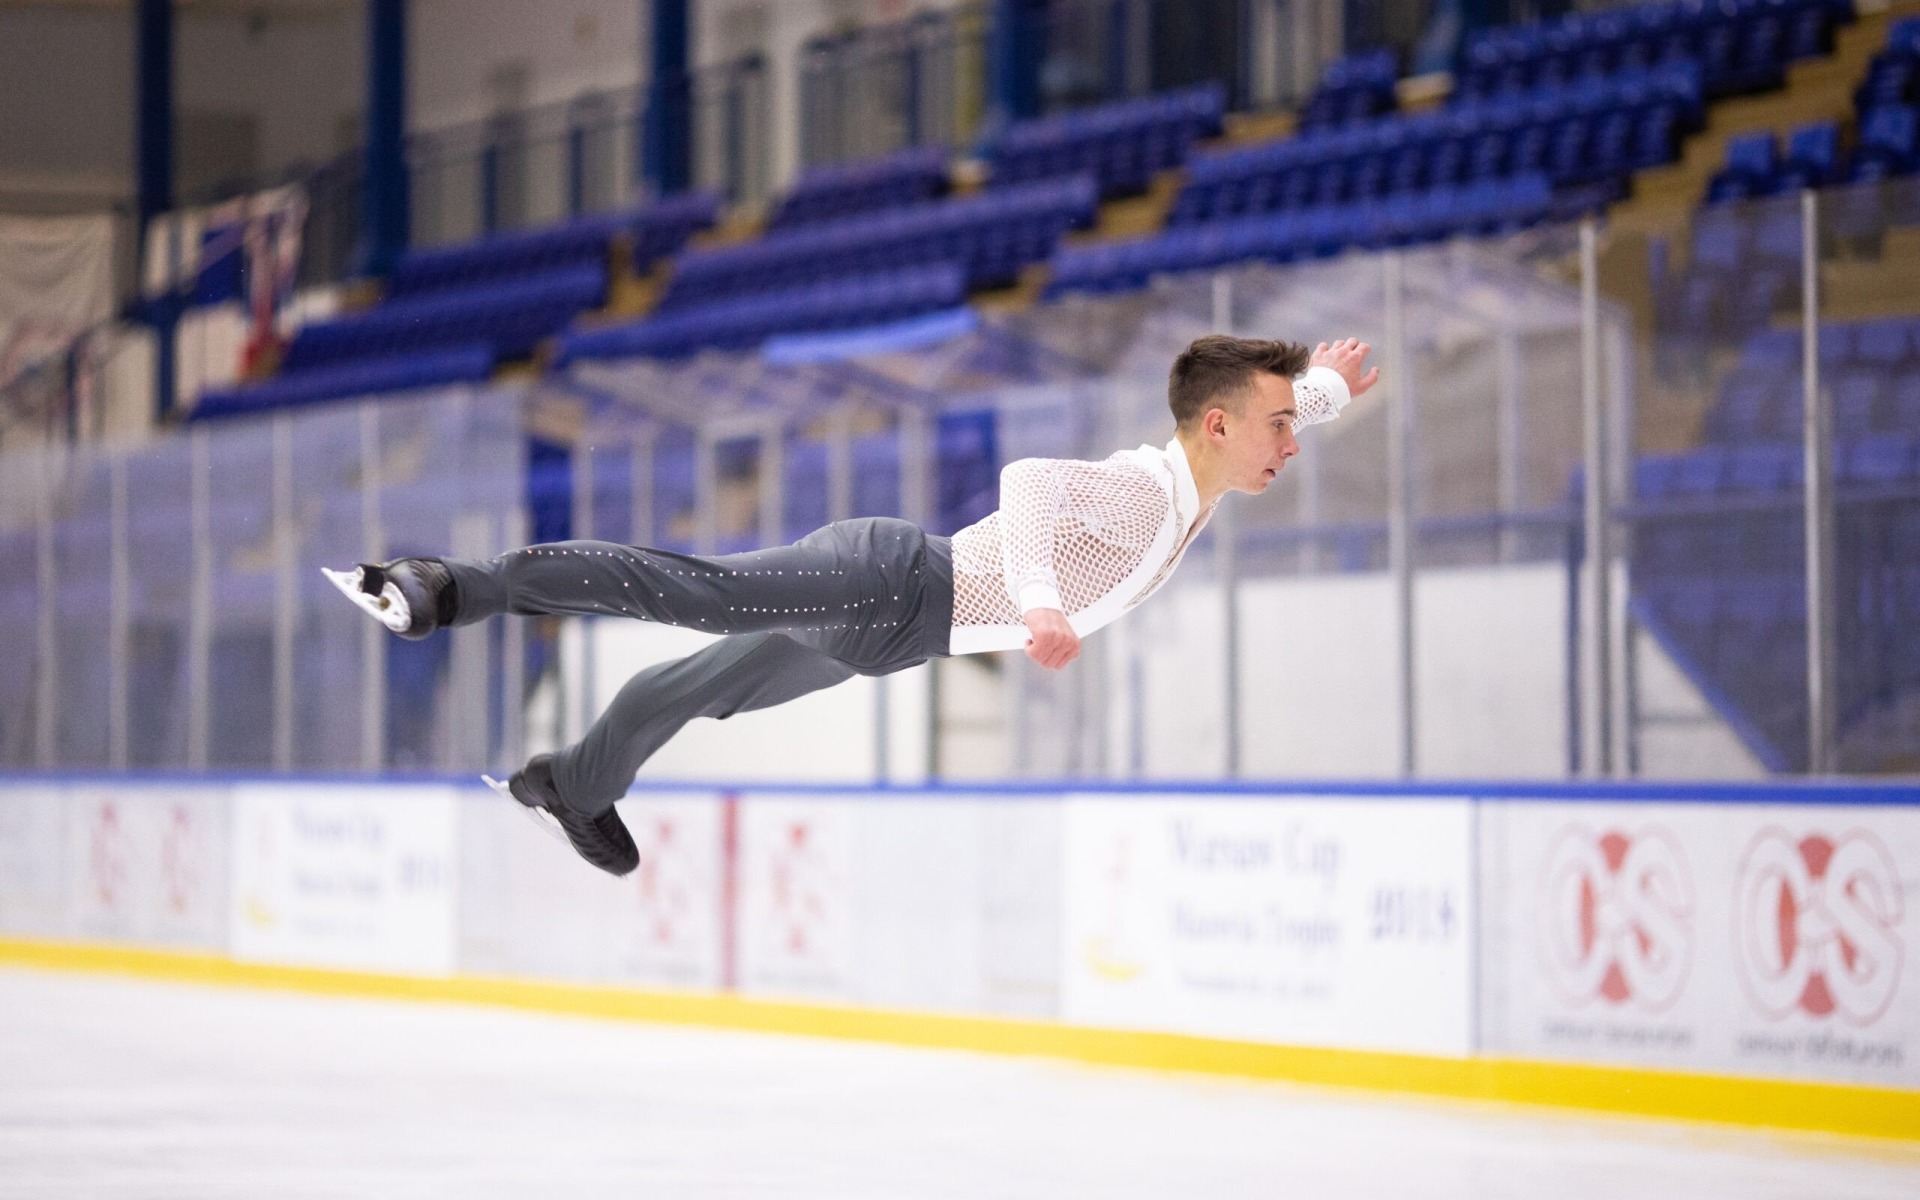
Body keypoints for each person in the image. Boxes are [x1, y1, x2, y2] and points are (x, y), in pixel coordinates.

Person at [327, 334, 1378, 875]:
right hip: (892, 583)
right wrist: (1048, 603)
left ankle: (574, 782)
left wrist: (1323, 391)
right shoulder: (1149, 489)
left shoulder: (1198, 476)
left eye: (1297, 424)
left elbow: (1266, 415)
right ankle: (452, 586)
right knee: (695, 595)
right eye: (1282, 425)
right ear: (1216, 428)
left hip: (900, 633)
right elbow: (1029, 488)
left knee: (711, 685)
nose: (1292, 443)